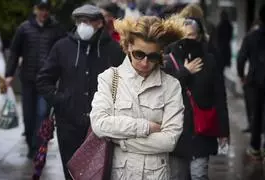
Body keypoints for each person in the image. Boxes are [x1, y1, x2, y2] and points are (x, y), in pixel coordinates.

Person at [90, 15, 186, 179]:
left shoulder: (171, 86)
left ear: (161, 54)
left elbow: (169, 141)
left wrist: (121, 141)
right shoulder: (109, 78)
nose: (144, 62)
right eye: (139, 54)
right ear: (128, 47)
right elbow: (99, 124)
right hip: (118, 173)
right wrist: (145, 127)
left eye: (153, 57)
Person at [36, 4, 125, 180]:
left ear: (99, 23)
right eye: (79, 21)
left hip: (102, 127)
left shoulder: (113, 50)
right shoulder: (62, 47)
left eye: (88, 21)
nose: (83, 25)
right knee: (71, 173)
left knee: (99, 173)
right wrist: (61, 100)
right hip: (69, 124)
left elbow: (125, 82)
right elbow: (43, 80)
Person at [165, 17, 230, 180]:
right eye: (184, 35)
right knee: (179, 176)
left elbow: (219, 96)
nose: (188, 39)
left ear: (200, 36)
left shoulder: (209, 59)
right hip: (177, 132)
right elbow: (164, 91)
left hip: (202, 131)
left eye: (192, 35)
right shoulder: (169, 59)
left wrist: (223, 130)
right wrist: (185, 71)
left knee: (199, 175)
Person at [4, 0, 65, 159]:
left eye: (46, 10)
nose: (44, 13)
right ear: (35, 10)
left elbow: (63, 53)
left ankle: (38, 147)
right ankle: (31, 143)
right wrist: (9, 75)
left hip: (46, 82)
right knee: (28, 115)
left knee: (42, 113)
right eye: (41, 9)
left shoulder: (56, 30)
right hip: (28, 79)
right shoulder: (24, 28)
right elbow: (14, 52)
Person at [237, 4, 265, 165]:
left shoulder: (251, 36)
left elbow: (241, 58)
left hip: (253, 81)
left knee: (256, 115)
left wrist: (242, 75)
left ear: (259, 18)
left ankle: (255, 148)